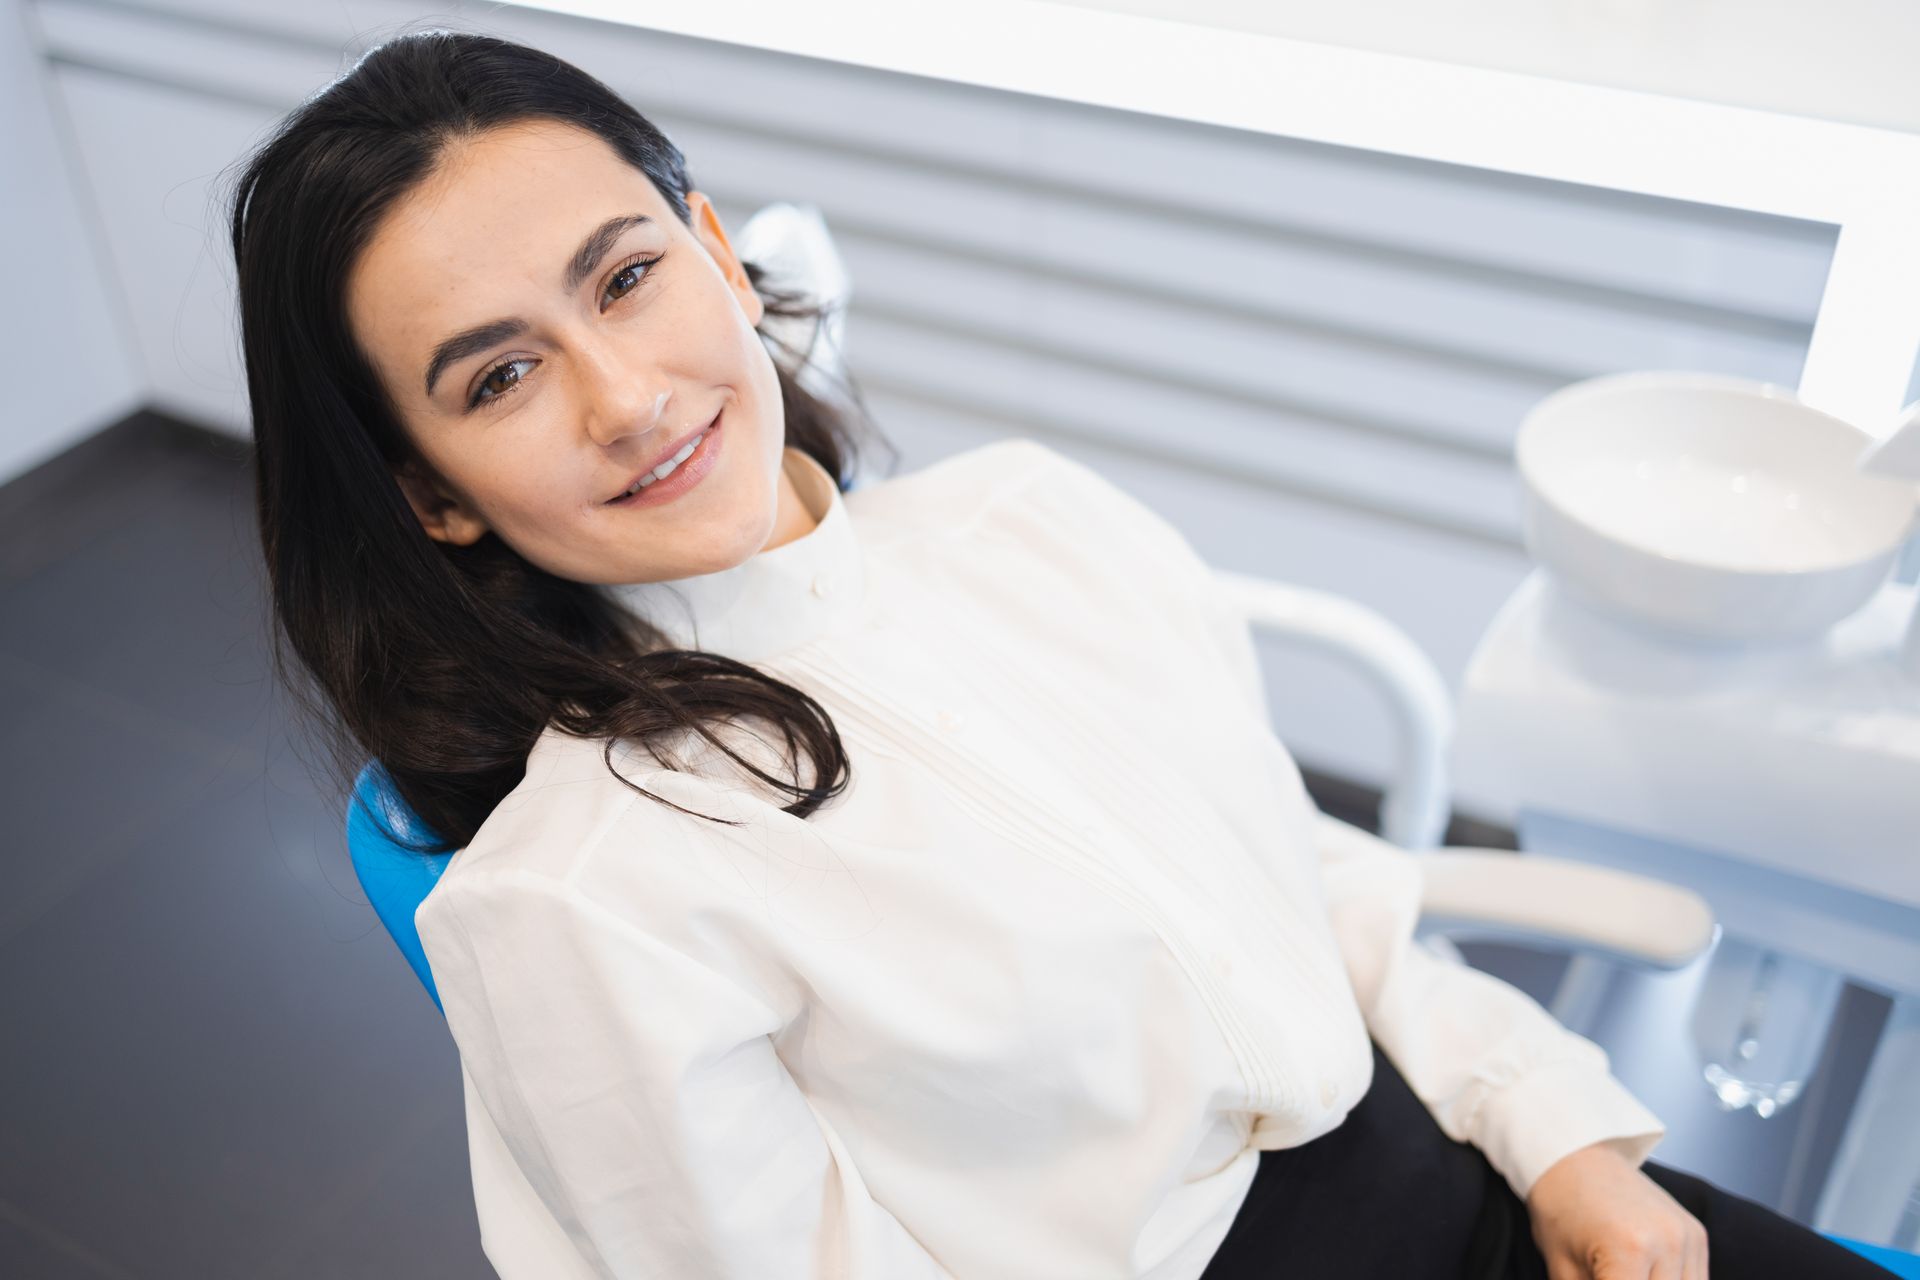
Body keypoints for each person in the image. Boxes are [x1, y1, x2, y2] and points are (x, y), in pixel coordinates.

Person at [222, 26, 1902, 1280]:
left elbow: (1301, 883)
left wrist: (1564, 1137)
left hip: (1461, 1161)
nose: (628, 395)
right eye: (497, 378)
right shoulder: (579, 903)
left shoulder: (1031, 522)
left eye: (630, 276)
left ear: (721, 253)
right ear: (429, 496)